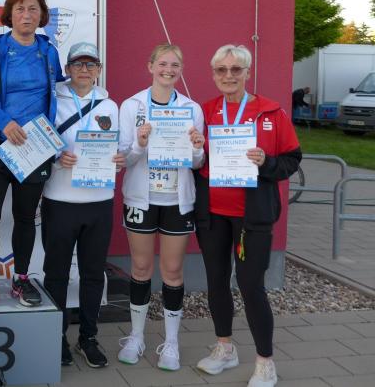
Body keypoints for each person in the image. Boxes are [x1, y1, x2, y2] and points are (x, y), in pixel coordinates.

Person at [195, 45, 301, 387]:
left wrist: (266, 162)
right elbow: (196, 160)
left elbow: (292, 160)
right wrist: (194, 146)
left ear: (247, 72)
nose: (229, 76)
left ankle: (265, 361)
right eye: (221, 70)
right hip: (212, 214)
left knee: (251, 286)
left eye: (236, 69)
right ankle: (225, 348)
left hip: (252, 217)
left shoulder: (271, 111)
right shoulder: (205, 111)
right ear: (214, 74)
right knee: (216, 282)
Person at [0, 0, 63, 311]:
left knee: (24, 217)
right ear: (10, 14)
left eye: (33, 9)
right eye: (20, 9)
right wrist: (4, 122)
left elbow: (56, 96)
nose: (27, 15)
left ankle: (21, 279)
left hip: (33, 150)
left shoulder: (49, 52)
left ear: (42, 15)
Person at [116, 44, 205, 371]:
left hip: (176, 201)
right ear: (150, 66)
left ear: (181, 69)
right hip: (141, 198)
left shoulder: (191, 108)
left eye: (175, 65)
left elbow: (197, 162)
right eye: (163, 63)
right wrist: (140, 143)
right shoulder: (132, 106)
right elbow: (124, 159)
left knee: (173, 271)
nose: (168, 70)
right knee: (141, 269)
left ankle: (171, 342)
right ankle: (137, 336)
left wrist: (197, 149)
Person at [40, 42, 124, 368]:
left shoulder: (110, 106)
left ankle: (88, 337)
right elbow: (39, 139)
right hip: (60, 200)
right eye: (78, 64)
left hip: (99, 202)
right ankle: (56, 337)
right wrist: (56, 156)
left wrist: (121, 158)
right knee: (56, 274)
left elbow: (122, 148)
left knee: (92, 274)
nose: (84, 70)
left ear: (99, 70)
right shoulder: (52, 99)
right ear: (68, 69)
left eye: (90, 65)